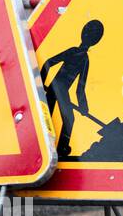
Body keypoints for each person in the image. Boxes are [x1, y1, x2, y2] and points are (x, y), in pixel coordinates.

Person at [40, 19, 104, 159]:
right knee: (67, 118)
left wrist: (83, 107)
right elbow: (49, 63)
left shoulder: (80, 56)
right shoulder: (79, 55)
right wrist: (40, 84)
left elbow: (80, 87)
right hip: (59, 88)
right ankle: (61, 148)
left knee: (48, 115)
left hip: (57, 88)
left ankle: (50, 146)